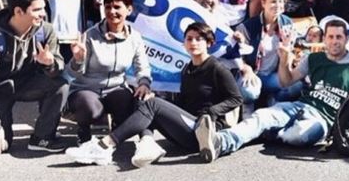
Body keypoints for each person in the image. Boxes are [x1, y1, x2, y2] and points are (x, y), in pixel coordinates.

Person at [65, 22, 243, 167]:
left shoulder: (217, 68)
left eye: (199, 39)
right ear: (184, 43)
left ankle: (104, 145)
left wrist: (211, 113)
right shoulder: (187, 69)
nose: (194, 43)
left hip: (203, 133)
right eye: (189, 39)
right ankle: (147, 144)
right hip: (187, 126)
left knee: (153, 104)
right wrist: (155, 95)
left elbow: (236, 99)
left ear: (209, 43)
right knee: (145, 98)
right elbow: (183, 100)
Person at [198, 18, 349, 160]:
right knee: (262, 116)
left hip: (324, 120)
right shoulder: (314, 58)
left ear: (346, 39)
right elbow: (286, 81)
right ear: (325, 39)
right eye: (331, 37)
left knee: (298, 136)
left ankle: (269, 131)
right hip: (301, 106)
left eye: (339, 37)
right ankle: (220, 141)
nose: (334, 42)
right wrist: (284, 60)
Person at [0, 0, 70, 154]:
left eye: (44, 8)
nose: (43, 14)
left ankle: (42, 137)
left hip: (28, 84)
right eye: (37, 10)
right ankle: (1, 128)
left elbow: (57, 68)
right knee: (0, 146)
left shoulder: (46, 31)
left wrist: (50, 63)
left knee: (60, 84)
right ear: (18, 11)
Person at [67, 0, 153, 152]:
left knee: (133, 99)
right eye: (107, 7)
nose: (111, 12)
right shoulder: (90, 35)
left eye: (117, 7)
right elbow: (73, 74)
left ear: (129, 9)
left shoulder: (135, 38)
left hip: (116, 89)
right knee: (91, 109)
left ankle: (117, 128)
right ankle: (83, 129)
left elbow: (142, 67)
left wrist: (144, 83)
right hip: (86, 89)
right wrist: (78, 60)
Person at [238, 0, 302, 105]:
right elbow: (237, 55)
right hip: (253, 74)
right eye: (273, 1)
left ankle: (271, 103)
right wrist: (247, 69)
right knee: (249, 92)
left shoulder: (287, 24)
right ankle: (247, 108)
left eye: (280, 1)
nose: (277, 5)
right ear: (263, 3)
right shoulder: (248, 26)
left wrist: (289, 52)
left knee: (296, 85)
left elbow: (292, 52)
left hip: (273, 75)